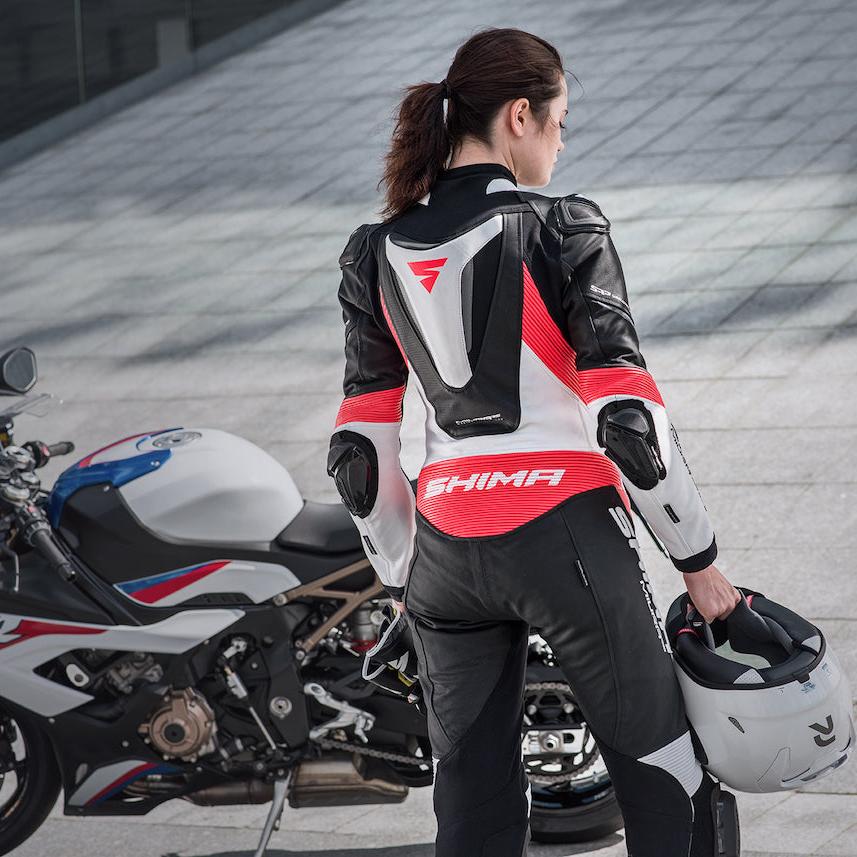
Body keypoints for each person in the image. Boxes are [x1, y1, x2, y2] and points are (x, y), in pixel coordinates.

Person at [326, 27, 742, 857]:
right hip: (566, 536)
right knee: (670, 779)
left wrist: (405, 578)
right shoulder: (564, 226)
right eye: (558, 123)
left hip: (442, 555)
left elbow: (358, 456)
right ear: (519, 115)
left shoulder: (373, 250)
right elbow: (630, 425)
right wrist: (700, 567)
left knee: (472, 804)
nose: (559, 142)